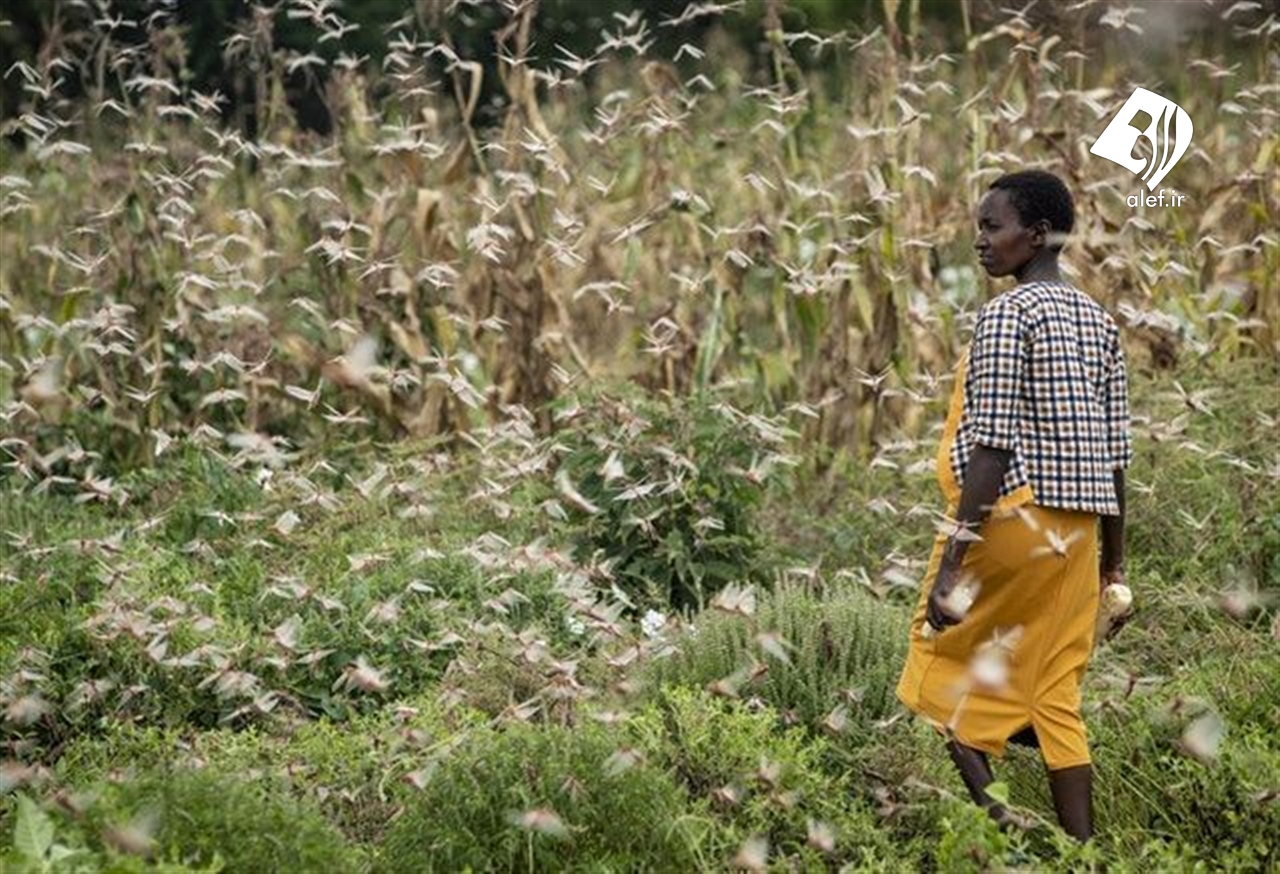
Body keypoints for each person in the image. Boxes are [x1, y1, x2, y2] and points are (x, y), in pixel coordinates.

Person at [894, 169, 1134, 843]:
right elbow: (1117, 456)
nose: (979, 240)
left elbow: (992, 446)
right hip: (1077, 537)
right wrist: (1114, 566)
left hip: (1012, 522)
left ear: (1037, 235)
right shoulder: (1100, 322)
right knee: (1054, 689)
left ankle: (1006, 828)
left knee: (937, 661)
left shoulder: (1007, 314)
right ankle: (1084, 854)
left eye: (992, 226)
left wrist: (953, 561)